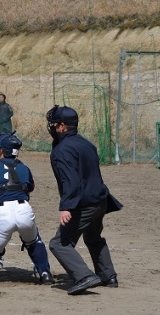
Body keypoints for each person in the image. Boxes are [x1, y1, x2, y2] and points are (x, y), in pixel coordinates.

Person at [45, 105, 122, 295]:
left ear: (63, 126)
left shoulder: (62, 149)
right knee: (93, 237)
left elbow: (70, 180)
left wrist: (66, 206)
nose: (52, 127)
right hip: (100, 200)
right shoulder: (87, 144)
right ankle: (108, 276)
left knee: (59, 243)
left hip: (83, 203)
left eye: (54, 124)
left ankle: (83, 276)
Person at [0, 132, 53, 287]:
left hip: (3, 212)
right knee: (34, 242)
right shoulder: (24, 167)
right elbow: (30, 187)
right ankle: (45, 273)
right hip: (24, 210)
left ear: (2, 150)